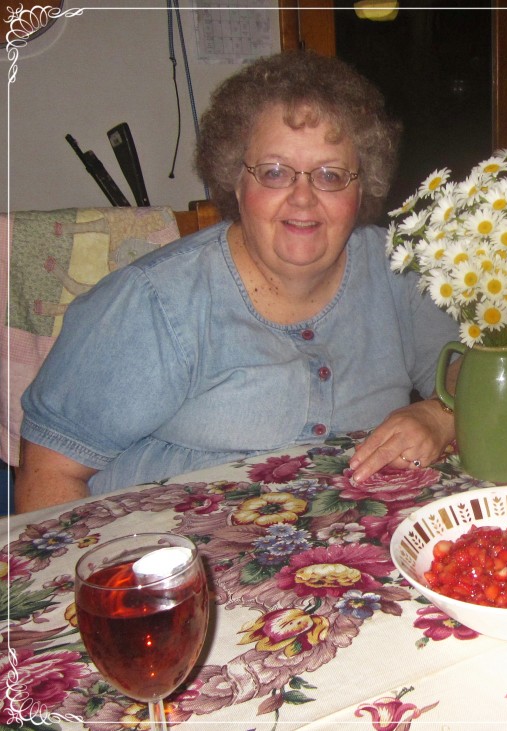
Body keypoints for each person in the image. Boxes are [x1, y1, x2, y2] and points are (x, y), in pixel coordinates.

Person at [16, 52, 457, 513]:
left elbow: (472, 369)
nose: (302, 198)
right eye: (274, 172)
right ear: (235, 181)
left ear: (362, 186)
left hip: (342, 561)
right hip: (162, 559)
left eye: (330, 175)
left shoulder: (397, 269)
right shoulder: (153, 302)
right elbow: (50, 473)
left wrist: (439, 413)